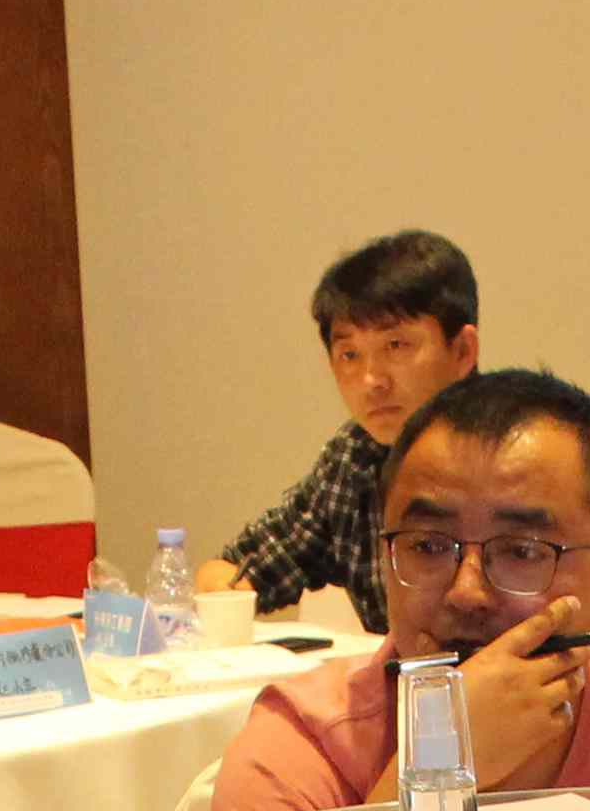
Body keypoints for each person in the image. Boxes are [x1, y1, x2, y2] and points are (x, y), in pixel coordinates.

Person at [209, 366, 590, 811]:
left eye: (523, 551)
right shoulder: (302, 747)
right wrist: (437, 763)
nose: (467, 592)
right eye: (428, 546)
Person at [198, 227, 482, 633]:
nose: (372, 380)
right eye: (349, 354)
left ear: (462, 351)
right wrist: (223, 592)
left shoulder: (517, 456)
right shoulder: (356, 457)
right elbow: (232, 572)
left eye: (396, 346)